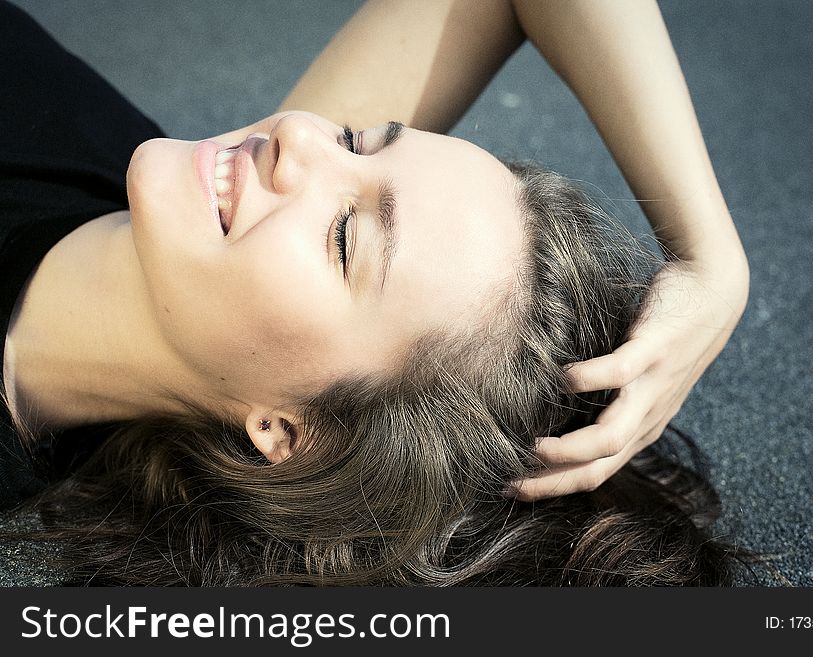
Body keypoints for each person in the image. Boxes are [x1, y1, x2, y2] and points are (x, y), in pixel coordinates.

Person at [0, 0, 756, 585]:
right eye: (354, 139)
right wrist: (711, 260)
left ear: (289, 434)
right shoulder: (173, 214)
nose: (296, 139)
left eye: (342, 239)